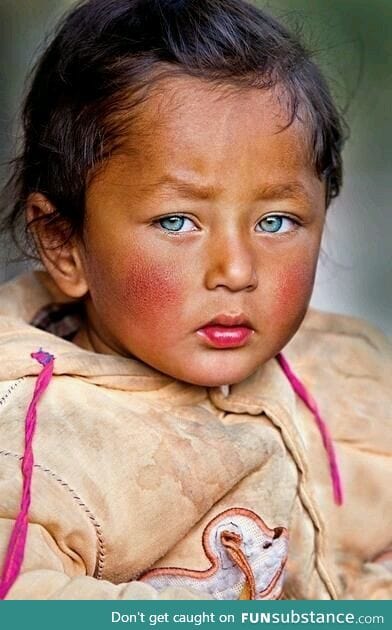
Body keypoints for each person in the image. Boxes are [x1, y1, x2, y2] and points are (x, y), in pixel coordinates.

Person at [0, 0, 391, 600]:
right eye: (178, 222)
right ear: (64, 244)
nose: (236, 270)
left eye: (277, 220)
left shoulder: (348, 371)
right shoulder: (33, 437)